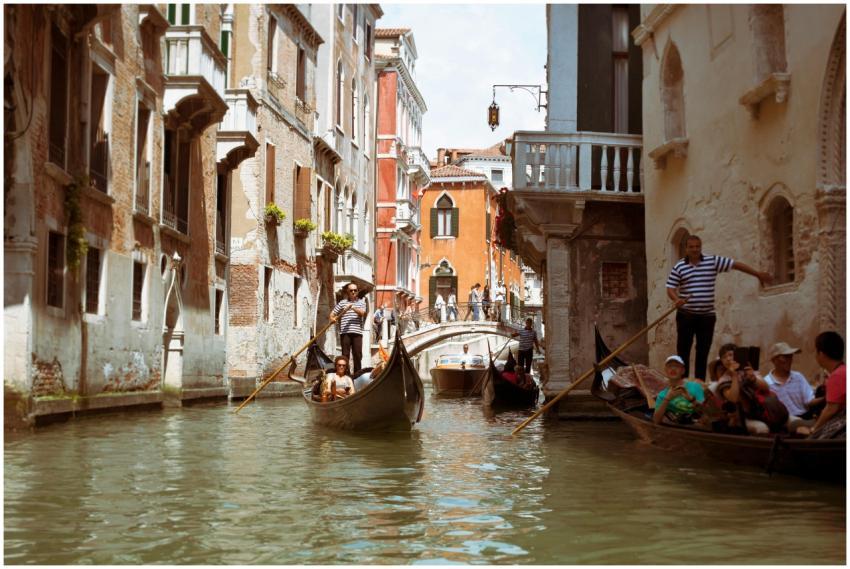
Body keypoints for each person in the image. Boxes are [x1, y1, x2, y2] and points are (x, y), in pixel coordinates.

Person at [666, 235, 772, 381]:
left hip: (707, 317)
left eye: (697, 246)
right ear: (686, 248)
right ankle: (681, 385)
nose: (695, 249)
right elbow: (670, 287)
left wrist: (757, 274)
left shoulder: (712, 261)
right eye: (691, 247)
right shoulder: (679, 266)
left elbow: (736, 265)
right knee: (683, 352)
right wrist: (676, 299)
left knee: (702, 352)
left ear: (700, 247)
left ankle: (699, 384)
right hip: (686, 315)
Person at [798, 331, 845, 437]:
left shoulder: (837, 375)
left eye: (816, 352)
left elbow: (831, 409)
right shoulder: (843, 371)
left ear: (821, 354)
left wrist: (813, 430)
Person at [763, 342, 816, 431]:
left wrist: (825, 398)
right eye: (785, 357)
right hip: (785, 421)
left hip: (805, 417)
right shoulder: (767, 383)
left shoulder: (798, 377)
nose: (789, 360)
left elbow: (809, 400)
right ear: (774, 360)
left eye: (790, 357)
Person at [653, 355, 706, 425]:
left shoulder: (695, 387)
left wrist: (691, 399)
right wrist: (667, 399)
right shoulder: (662, 395)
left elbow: (706, 413)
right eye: (670, 366)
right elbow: (656, 421)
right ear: (666, 371)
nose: (673, 369)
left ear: (683, 371)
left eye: (677, 366)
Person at [330, 283, 367, 374]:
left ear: (357, 292)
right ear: (348, 292)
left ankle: (358, 375)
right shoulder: (342, 303)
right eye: (351, 290)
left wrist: (352, 307)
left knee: (358, 355)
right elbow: (332, 314)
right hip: (345, 332)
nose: (353, 292)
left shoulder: (361, 302)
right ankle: (346, 374)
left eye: (355, 290)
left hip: (357, 332)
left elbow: (362, 313)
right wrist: (333, 319)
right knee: (345, 355)